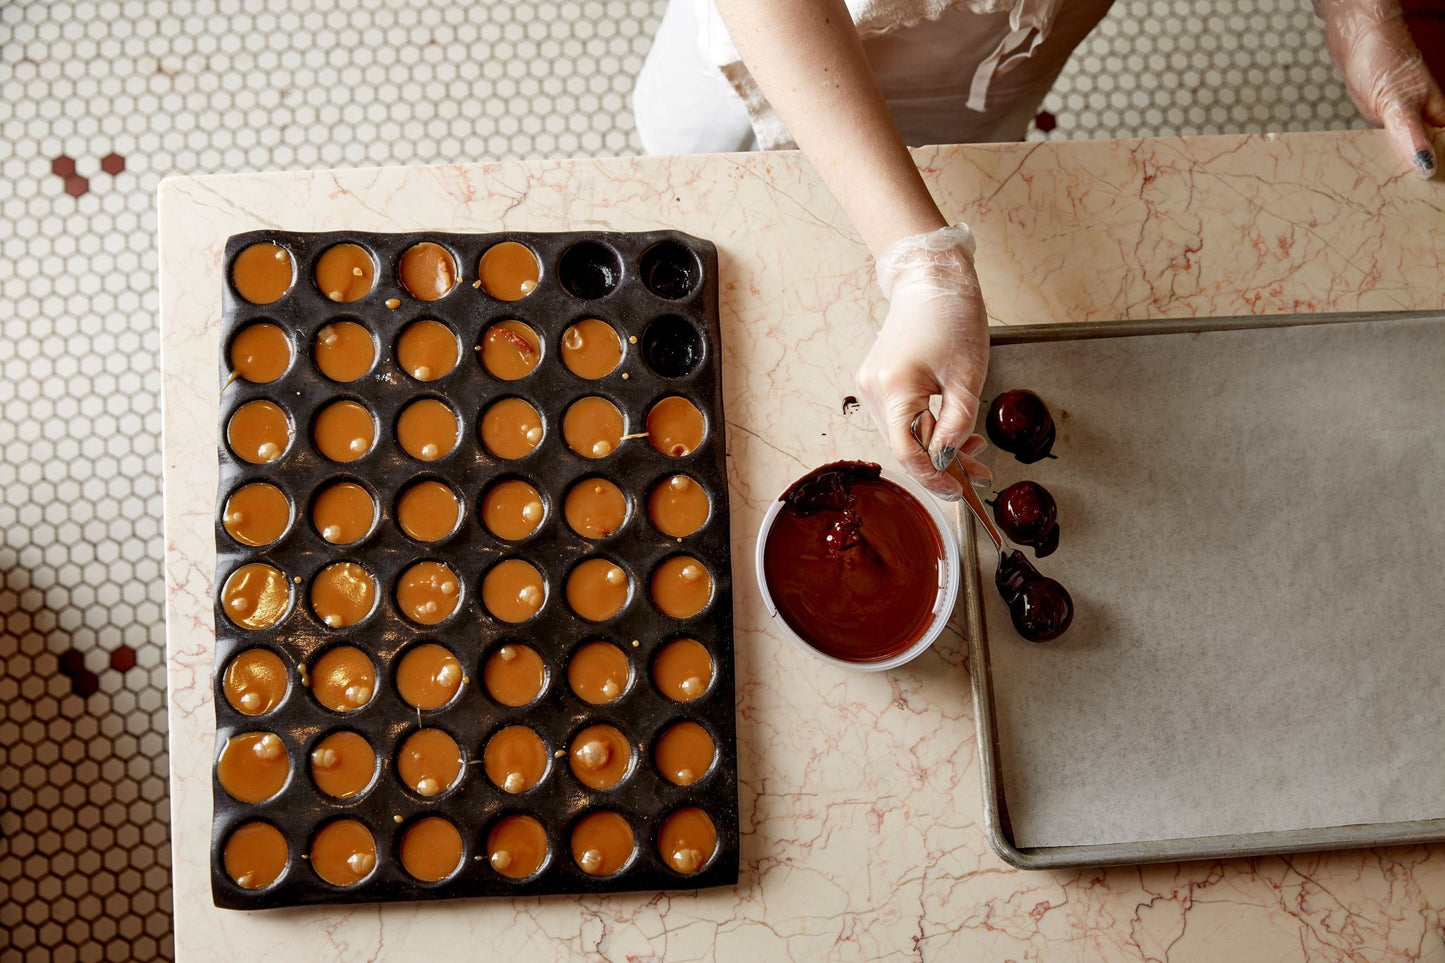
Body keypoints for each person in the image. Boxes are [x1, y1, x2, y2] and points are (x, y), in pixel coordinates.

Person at [632, 0, 1445, 500]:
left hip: (1000, 53)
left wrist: (1360, 14)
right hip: (787, 33)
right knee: (691, 146)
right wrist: (923, 263)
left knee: (968, 138)